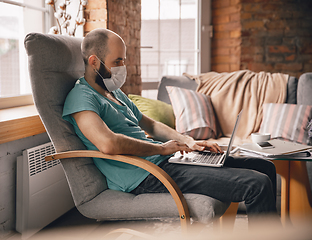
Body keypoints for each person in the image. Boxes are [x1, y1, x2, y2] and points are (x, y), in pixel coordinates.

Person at [62, 28, 279, 226]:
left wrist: (188, 142)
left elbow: (151, 125)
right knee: (256, 184)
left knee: (265, 167)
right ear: (93, 62)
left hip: (165, 162)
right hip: (146, 175)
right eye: (117, 61)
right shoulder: (82, 98)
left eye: (123, 61)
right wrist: (161, 149)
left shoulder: (113, 93)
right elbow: (107, 144)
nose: (122, 68)